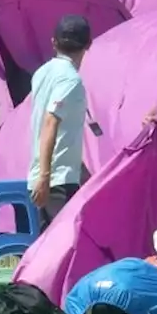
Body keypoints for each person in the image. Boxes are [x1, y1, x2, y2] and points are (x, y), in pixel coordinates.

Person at [28, 14, 92, 230]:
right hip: (57, 180)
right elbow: (50, 122)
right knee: (64, 244)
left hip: (47, 173)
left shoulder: (42, 73)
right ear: (88, 44)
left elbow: (62, 130)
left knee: (47, 248)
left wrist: (81, 170)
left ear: (53, 42)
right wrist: (46, 177)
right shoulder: (70, 79)